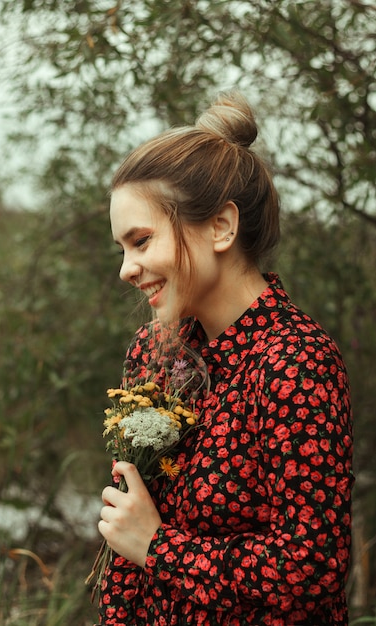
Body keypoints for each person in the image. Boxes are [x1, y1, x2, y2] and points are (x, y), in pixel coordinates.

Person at [95, 91, 354, 625]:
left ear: (220, 227)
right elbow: (125, 527)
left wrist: (160, 548)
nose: (127, 267)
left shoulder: (295, 363)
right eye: (122, 248)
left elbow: (312, 569)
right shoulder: (155, 353)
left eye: (141, 241)